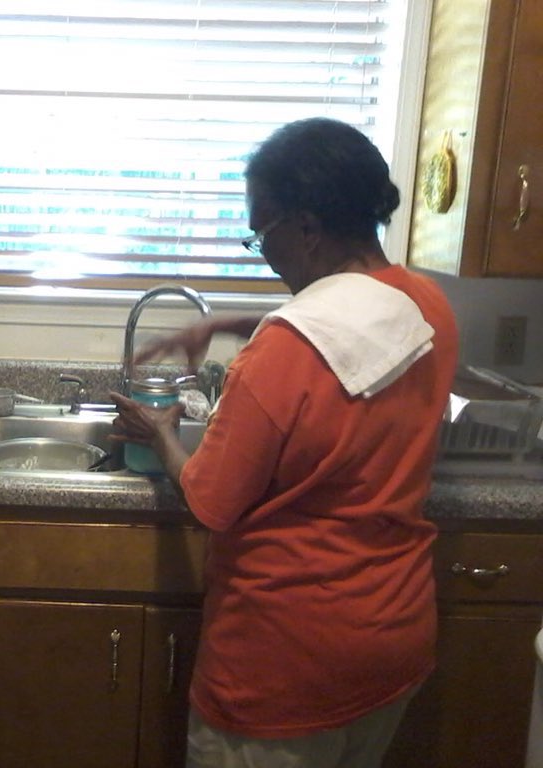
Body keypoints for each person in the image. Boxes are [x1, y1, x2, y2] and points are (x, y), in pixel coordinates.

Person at [111, 118, 458, 768]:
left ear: (306, 227)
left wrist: (159, 434)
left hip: (284, 663)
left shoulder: (282, 353)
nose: (260, 251)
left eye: (259, 232)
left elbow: (210, 502)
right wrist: (236, 321)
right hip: (392, 642)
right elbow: (353, 324)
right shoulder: (427, 308)